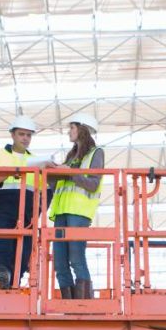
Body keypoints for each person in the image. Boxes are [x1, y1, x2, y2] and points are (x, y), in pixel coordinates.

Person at [0, 115, 51, 289]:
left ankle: (14, 282)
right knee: (4, 246)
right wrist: (10, 172)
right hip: (3, 207)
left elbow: (46, 190)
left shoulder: (38, 161)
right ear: (12, 135)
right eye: (22, 134)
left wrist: (38, 212)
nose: (25, 138)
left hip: (28, 212)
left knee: (24, 251)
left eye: (29, 135)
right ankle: (2, 274)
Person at [48, 112, 103, 299]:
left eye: (71, 127)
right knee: (60, 263)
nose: (68, 132)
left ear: (82, 129)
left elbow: (93, 184)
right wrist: (52, 172)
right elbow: (58, 185)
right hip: (61, 212)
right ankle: (69, 305)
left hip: (78, 213)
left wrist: (70, 172)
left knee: (76, 259)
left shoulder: (96, 153)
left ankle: (84, 303)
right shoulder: (71, 157)